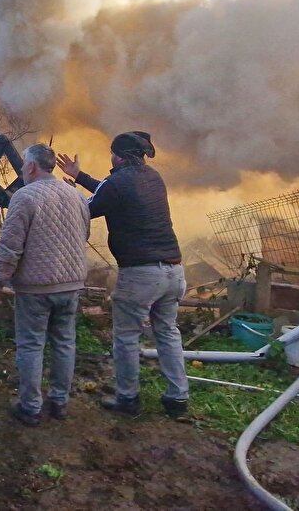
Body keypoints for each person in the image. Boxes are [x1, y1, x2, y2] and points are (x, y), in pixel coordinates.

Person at [57, 131, 189, 419]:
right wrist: (80, 176)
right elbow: (109, 192)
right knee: (168, 333)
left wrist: (70, 193)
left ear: (118, 156)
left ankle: (127, 399)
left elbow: (87, 208)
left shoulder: (117, 183)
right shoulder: (153, 177)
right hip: (174, 271)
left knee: (127, 337)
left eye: (112, 152)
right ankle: (178, 399)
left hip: (141, 275)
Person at [0, 144, 90, 427]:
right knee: (65, 343)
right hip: (70, 285)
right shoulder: (77, 196)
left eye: (23, 165)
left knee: (31, 345)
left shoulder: (24, 196)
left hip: (36, 288)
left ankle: (30, 407)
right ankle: (60, 403)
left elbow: (10, 246)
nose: (22, 170)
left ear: (31, 166)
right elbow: (84, 234)